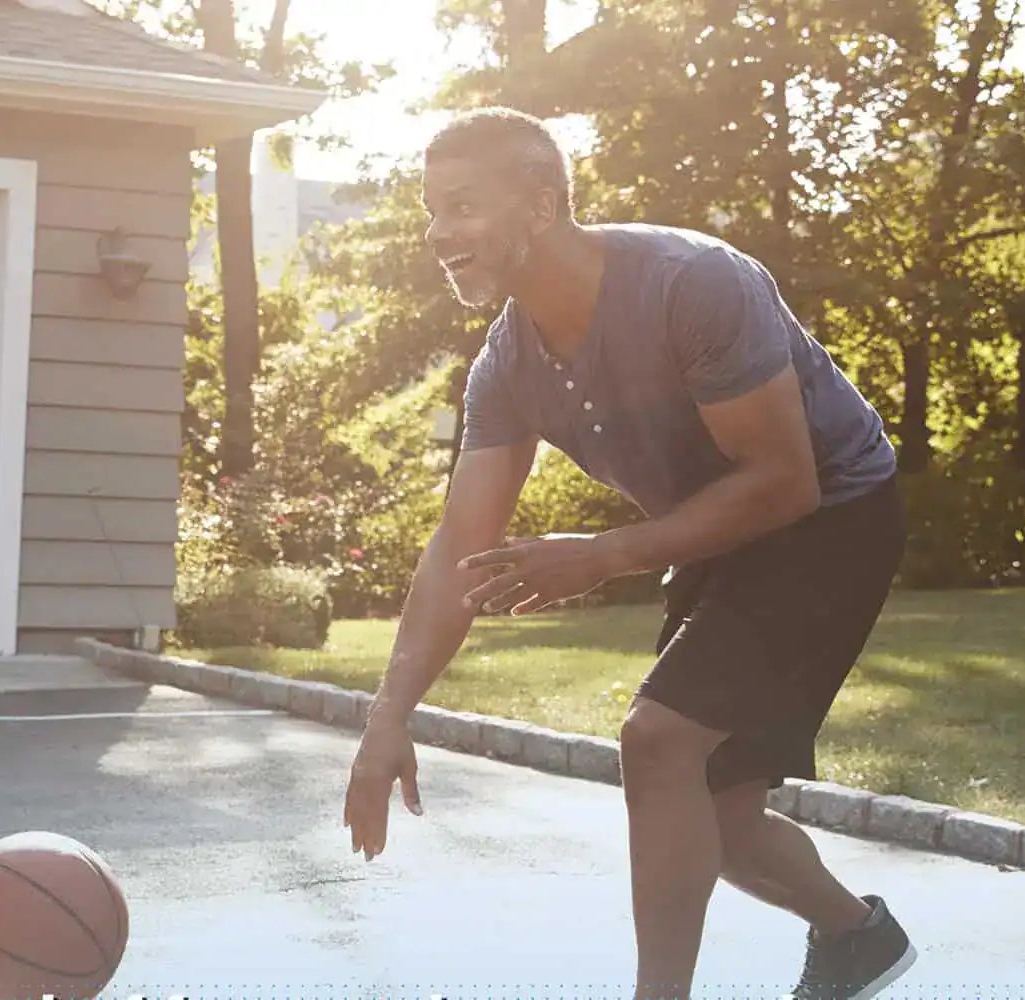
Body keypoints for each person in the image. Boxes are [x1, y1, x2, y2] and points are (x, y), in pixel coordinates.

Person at [340, 107, 917, 1000]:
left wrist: (606, 554)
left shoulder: (692, 283)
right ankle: (857, 935)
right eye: (431, 211)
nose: (439, 234)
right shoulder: (507, 366)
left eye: (461, 207)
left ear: (541, 204)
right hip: (720, 530)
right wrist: (389, 712)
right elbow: (462, 542)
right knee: (713, 817)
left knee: (658, 744)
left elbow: (782, 482)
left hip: (831, 512)